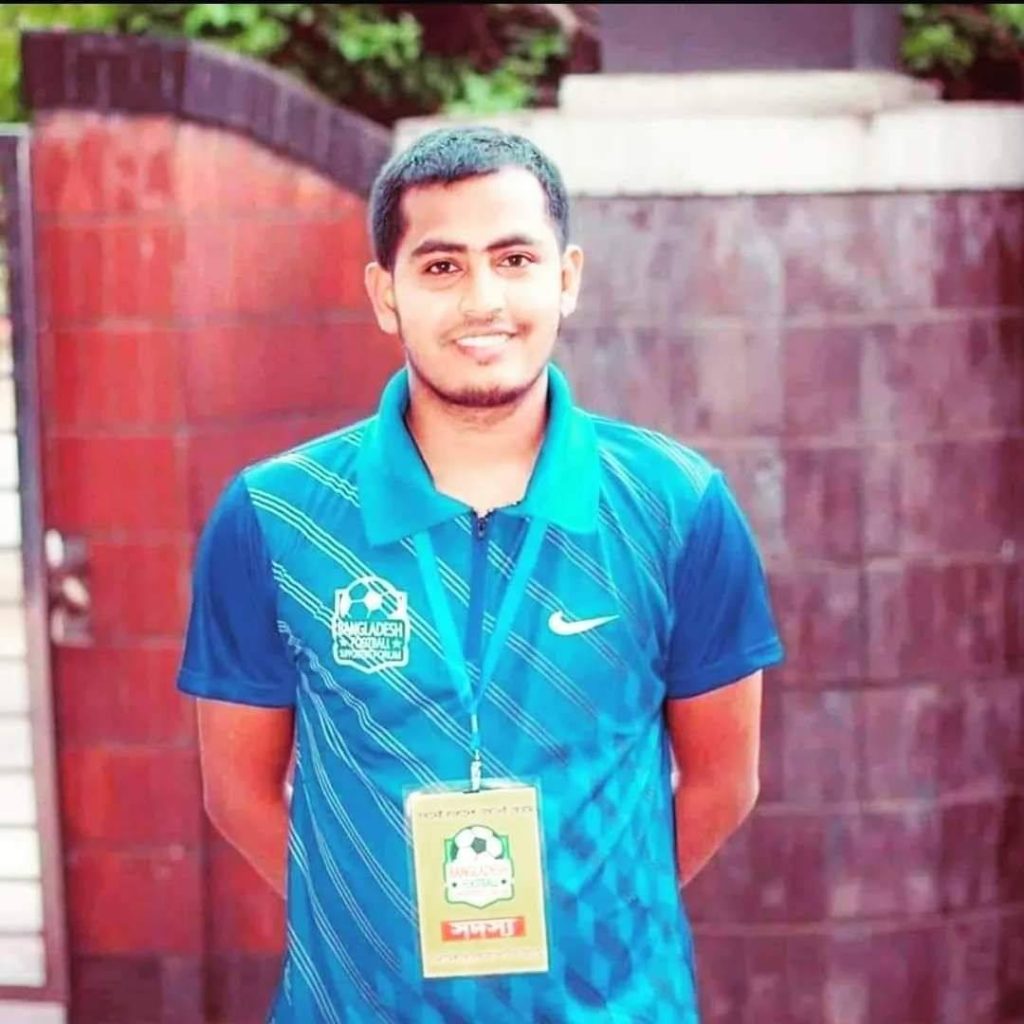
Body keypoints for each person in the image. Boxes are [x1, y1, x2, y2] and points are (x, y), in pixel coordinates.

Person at [177, 125, 785, 1024]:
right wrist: (376, 924)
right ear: (385, 293)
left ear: (566, 278)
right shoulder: (274, 517)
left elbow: (723, 782)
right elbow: (237, 792)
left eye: (514, 259)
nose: (483, 300)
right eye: (441, 266)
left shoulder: (678, 506)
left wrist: (591, 927)